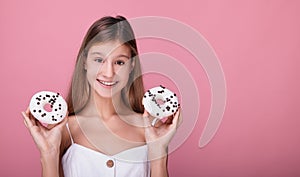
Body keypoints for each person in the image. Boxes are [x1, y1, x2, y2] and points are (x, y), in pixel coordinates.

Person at [22, 15, 182, 177]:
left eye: (119, 62)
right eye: (99, 60)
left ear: (132, 66)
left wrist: (159, 150)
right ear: (84, 62)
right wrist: (48, 153)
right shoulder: (64, 130)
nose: (108, 73)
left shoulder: (150, 129)